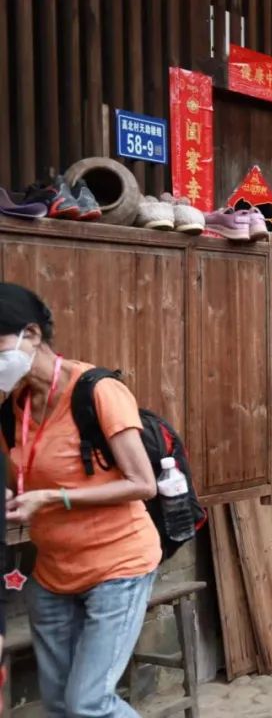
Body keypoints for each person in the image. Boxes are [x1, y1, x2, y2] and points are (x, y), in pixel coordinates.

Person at [0, 283, 160, 717]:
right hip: (52, 574)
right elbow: (27, 474)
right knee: (58, 705)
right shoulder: (11, 407)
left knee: (88, 705)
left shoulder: (97, 392)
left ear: (30, 335)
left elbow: (143, 483)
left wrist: (53, 498)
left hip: (117, 566)